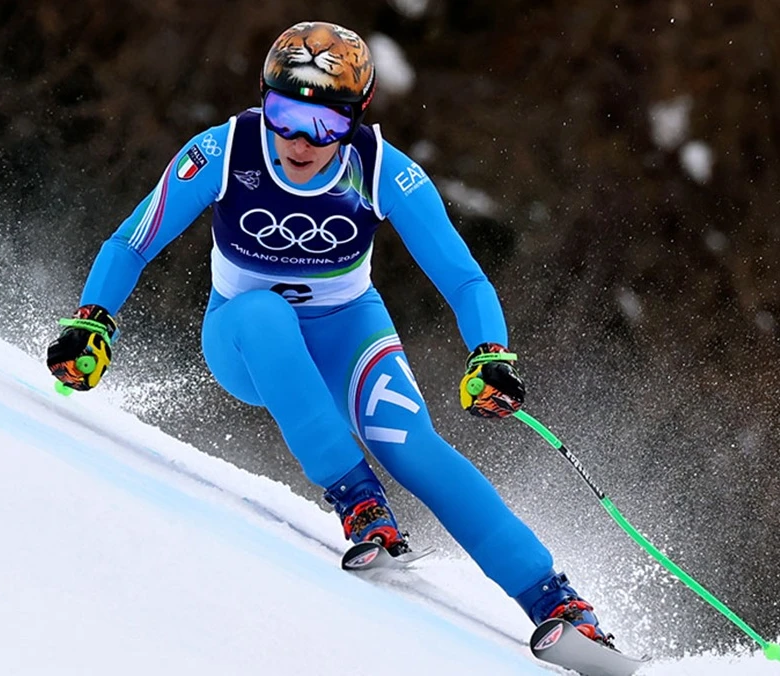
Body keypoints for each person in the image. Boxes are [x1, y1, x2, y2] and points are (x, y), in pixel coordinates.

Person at [47, 21, 613, 647]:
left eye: (326, 125)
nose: (299, 140)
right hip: (243, 340)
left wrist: (490, 353)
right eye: (285, 114)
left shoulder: (382, 171)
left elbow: (464, 278)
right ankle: (359, 501)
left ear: (355, 121)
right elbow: (132, 241)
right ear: (264, 100)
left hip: (347, 332)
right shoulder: (223, 151)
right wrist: (92, 321)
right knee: (266, 313)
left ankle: (556, 602)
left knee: (411, 444)